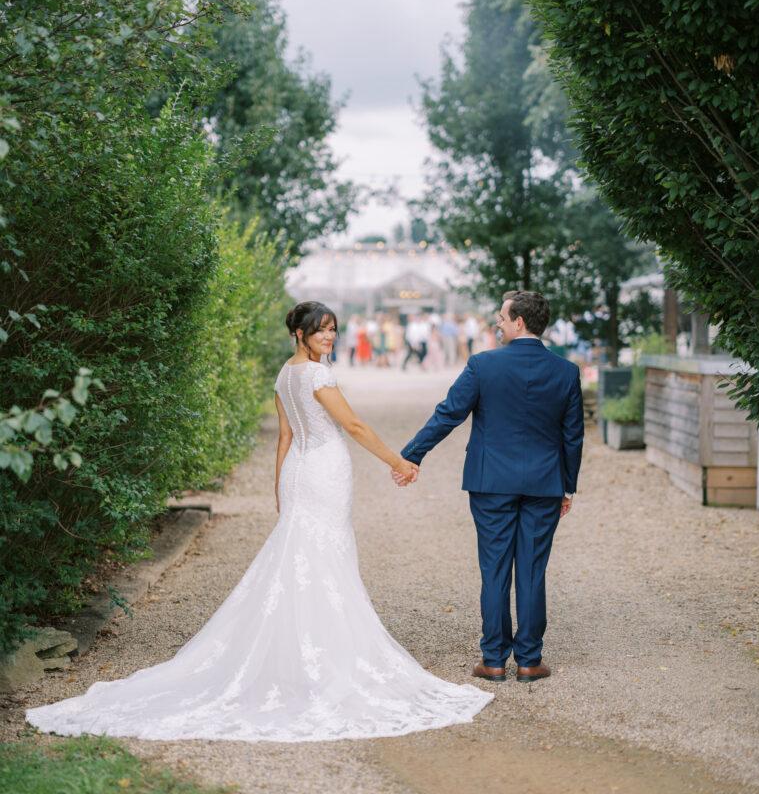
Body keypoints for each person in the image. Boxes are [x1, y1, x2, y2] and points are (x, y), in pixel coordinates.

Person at [25, 301, 492, 742]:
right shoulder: (314, 374)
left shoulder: (285, 374)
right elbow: (352, 426)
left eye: (332, 329)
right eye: (320, 330)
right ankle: (325, 662)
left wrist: (280, 486)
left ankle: (300, 656)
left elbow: (286, 438)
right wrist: (399, 461)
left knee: (302, 558)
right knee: (323, 556)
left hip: (299, 473)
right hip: (323, 469)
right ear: (299, 334)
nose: (329, 336)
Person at [393, 290, 584, 685]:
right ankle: (529, 662)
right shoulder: (565, 372)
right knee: (532, 570)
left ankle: (494, 660)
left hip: (491, 482)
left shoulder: (483, 366)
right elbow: (573, 438)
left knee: (495, 568)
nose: (496, 323)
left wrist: (412, 455)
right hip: (544, 484)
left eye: (501, 317)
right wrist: (567, 487)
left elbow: (448, 415)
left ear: (518, 322)